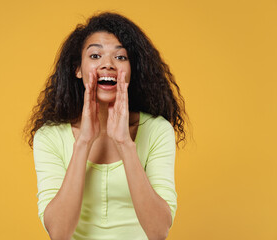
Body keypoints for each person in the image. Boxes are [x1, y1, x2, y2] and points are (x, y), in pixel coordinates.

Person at [24, 12, 188, 240]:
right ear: (78, 69)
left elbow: (159, 231)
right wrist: (83, 143)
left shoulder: (157, 131)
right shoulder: (50, 137)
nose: (108, 64)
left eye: (120, 57)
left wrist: (125, 143)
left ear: (132, 70)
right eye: (95, 55)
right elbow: (59, 233)